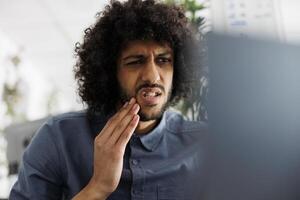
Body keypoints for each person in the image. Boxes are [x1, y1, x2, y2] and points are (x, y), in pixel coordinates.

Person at [9, 0, 208, 199]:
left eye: (163, 60)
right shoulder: (59, 139)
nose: (152, 76)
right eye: (136, 62)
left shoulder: (204, 146)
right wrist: (98, 187)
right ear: (110, 72)